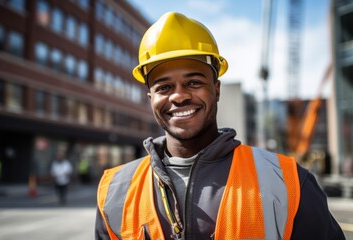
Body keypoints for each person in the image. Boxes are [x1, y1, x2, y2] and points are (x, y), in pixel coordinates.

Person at [95, 12, 345, 240]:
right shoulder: (115, 190)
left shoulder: (288, 181)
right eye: (164, 87)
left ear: (216, 90)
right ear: (151, 99)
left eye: (193, 82)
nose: (178, 96)